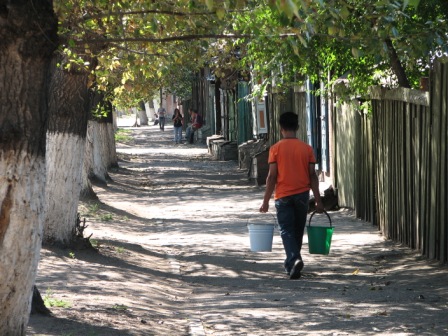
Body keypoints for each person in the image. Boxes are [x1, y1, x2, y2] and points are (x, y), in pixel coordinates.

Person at [259, 111, 324, 280]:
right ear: (297, 127)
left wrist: (265, 201)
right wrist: (318, 201)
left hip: (283, 196)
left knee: (286, 230)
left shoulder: (275, 149)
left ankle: (294, 259)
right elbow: (312, 176)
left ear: (281, 128)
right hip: (302, 195)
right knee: (297, 231)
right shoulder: (306, 149)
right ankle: (292, 263)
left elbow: (272, 177)